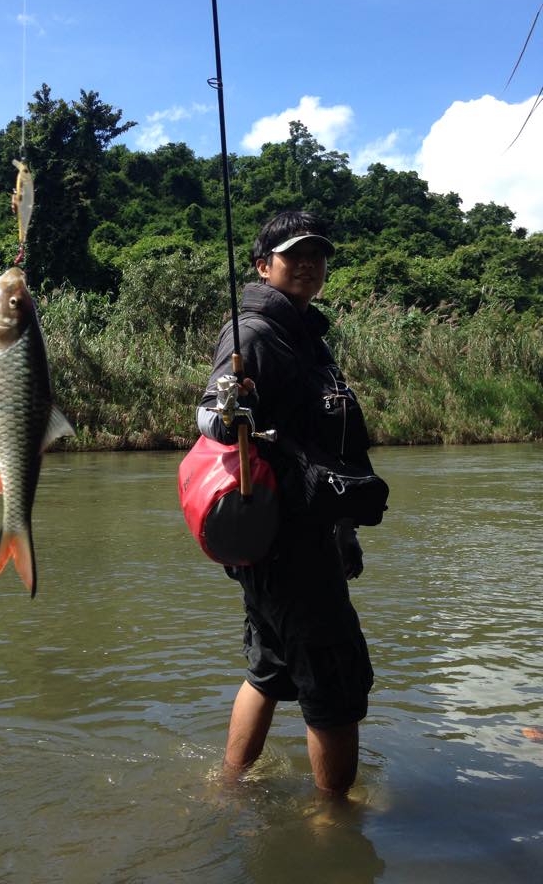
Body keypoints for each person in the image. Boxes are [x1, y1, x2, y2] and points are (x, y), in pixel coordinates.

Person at [197, 210, 374, 796]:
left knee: (271, 668)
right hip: (288, 541)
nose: (307, 263)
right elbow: (208, 416)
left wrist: (343, 530)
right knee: (334, 683)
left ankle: (229, 786)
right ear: (261, 265)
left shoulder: (305, 335)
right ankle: (335, 825)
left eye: (317, 254)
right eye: (293, 253)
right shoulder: (254, 332)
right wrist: (231, 413)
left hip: (296, 539)